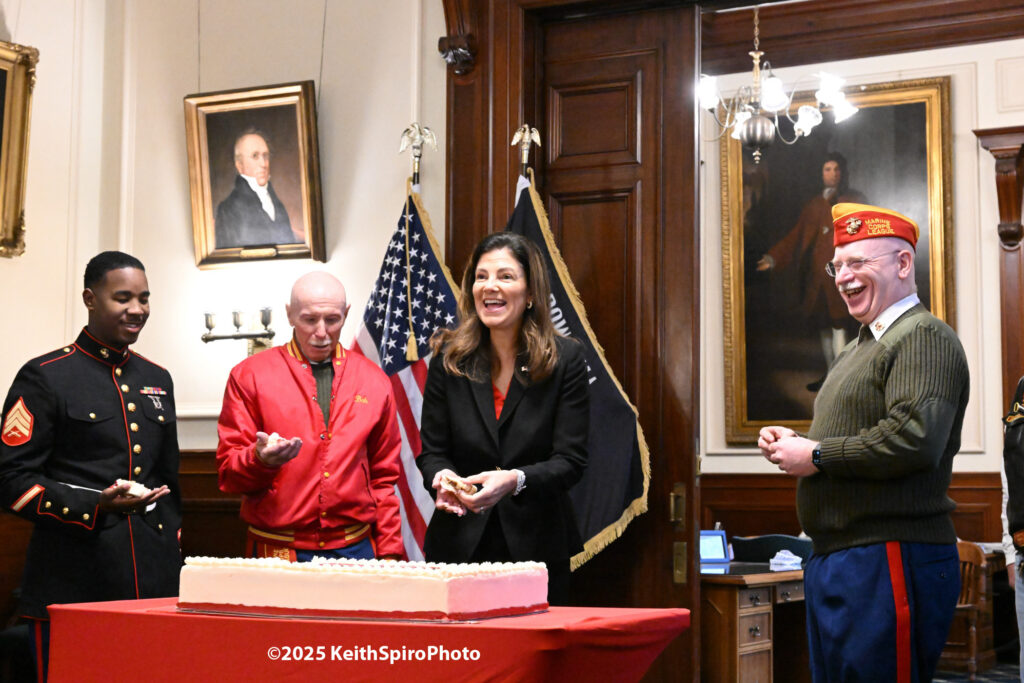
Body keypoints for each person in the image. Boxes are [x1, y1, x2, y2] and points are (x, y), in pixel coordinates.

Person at [757, 202, 969, 682]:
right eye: (838, 266)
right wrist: (800, 441)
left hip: (889, 554)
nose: (842, 277)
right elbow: (859, 436)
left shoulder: (922, 336)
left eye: (859, 263)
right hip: (843, 559)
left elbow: (913, 439)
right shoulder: (860, 346)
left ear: (901, 264)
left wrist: (814, 454)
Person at [0, 251, 182, 681]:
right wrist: (94, 505)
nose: (137, 310)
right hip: (75, 580)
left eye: (144, 298)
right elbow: (10, 479)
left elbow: (170, 481)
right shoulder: (46, 376)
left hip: (156, 584)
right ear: (90, 298)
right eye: (123, 298)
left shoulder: (157, 379)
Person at [417, 232, 589, 605]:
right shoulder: (448, 358)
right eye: (481, 276)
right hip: (458, 548)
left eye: (505, 276)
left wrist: (515, 480)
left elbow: (571, 461)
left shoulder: (565, 360)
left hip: (538, 548)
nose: (489, 286)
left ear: (530, 293)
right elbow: (432, 452)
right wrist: (442, 479)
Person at [216, 271, 404, 561]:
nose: (321, 332)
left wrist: (390, 553)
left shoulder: (374, 381)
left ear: (346, 314)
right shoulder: (249, 376)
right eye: (309, 319)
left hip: (356, 548)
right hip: (278, 547)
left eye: (332, 320)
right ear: (290, 315)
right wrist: (260, 460)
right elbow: (229, 475)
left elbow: (383, 477)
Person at [755, 153, 866, 383]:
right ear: (821, 173)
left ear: (842, 172)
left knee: (839, 325)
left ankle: (843, 379)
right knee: (824, 326)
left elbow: (865, 235)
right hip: (818, 279)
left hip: (842, 275)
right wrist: (773, 258)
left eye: (836, 169)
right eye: (827, 169)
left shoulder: (854, 200)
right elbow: (795, 237)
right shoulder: (814, 205)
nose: (833, 174)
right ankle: (831, 375)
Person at [214, 128, 297, 248]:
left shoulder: (278, 204)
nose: (263, 164)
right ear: (239, 165)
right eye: (255, 156)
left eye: (265, 156)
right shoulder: (227, 209)